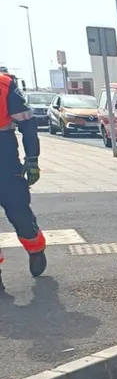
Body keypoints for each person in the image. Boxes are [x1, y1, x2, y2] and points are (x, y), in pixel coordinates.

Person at [0, 67, 46, 292]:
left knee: (19, 213)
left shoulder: (4, 85)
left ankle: (36, 249)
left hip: (4, 160)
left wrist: (32, 158)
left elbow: (27, 123)